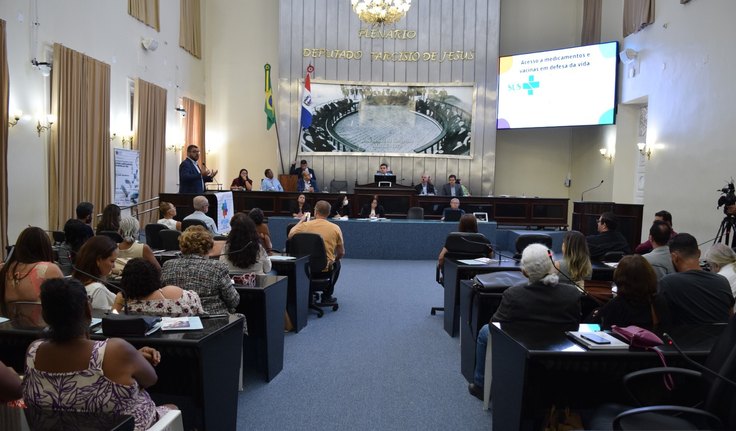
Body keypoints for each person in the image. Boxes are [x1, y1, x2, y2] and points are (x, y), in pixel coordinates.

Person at [23, 278, 173, 430]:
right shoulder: (116, 350)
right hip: (129, 426)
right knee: (172, 408)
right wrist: (130, 358)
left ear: (45, 315)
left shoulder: (34, 351)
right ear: (88, 310)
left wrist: (130, 358)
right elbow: (150, 379)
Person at [469, 243, 581, 400]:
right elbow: (575, 326)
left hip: (520, 347)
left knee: (484, 332)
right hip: (559, 348)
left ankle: (480, 385)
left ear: (524, 271)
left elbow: (494, 326)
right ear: (553, 266)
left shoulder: (513, 294)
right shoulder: (572, 293)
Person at [161, 226, 240, 314]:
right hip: (215, 320)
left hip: (178, 319)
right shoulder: (218, 267)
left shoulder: (167, 265)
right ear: (208, 246)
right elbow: (233, 301)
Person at [659, 233, 734, 325]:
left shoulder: (667, 283)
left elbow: (660, 320)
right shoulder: (723, 281)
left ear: (674, 257)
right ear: (699, 253)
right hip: (721, 339)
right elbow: (731, 319)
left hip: (683, 339)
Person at [588, 255, 671, 329]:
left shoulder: (616, 305)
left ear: (620, 278)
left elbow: (593, 328)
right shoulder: (659, 302)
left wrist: (596, 314)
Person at [287, 200, 345, 304]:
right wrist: (333, 260)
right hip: (325, 269)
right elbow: (341, 253)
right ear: (328, 213)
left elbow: (290, 234)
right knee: (338, 264)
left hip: (304, 268)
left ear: (315, 211)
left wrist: (302, 220)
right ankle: (327, 296)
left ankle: (308, 292)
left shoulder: (305, 226)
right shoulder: (336, 228)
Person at [0, 227, 63, 314]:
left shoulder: (5, 269)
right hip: (41, 324)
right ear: (45, 247)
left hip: (7, 325)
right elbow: (64, 302)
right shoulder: (48, 269)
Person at [113, 258, 203, 316]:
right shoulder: (170, 293)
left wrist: (118, 303)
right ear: (154, 276)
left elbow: (112, 319)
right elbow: (195, 303)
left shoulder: (126, 305)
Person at [72, 235, 118, 310]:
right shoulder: (97, 290)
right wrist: (118, 305)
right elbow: (105, 319)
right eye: (112, 261)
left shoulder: (73, 280)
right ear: (98, 260)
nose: (114, 266)